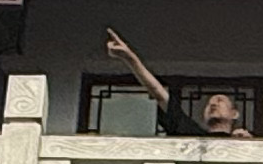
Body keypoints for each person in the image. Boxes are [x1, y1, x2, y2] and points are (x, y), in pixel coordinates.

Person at [100, 27, 248, 139]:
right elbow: (158, 93)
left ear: (234, 114)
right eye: (209, 104)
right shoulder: (191, 134)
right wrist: (130, 58)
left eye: (220, 101)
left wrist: (248, 145)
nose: (213, 104)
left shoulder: (243, 139)